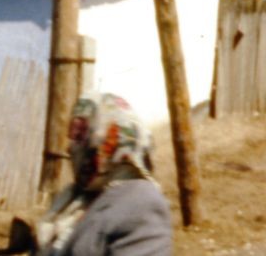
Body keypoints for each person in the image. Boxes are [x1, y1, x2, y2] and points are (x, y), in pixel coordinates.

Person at [37, 93, 174, 256]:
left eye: (80, 136)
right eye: (73, 136)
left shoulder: (142, 204)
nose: (70, 147)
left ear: (109, 140)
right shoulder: (75, 200)